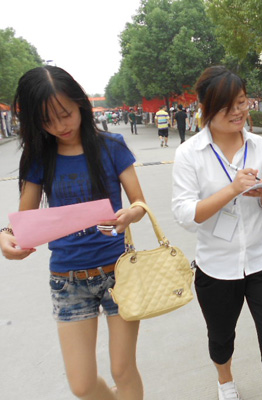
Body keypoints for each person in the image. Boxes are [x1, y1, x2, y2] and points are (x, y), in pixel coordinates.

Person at [0, 66, 147, 400]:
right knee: (82, 385)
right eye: (47, 121)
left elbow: (139, 203)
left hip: (119, 274)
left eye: (65, 114)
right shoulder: (39, 158)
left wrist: (130, 214)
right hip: (68, 281)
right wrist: (6, 235)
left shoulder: (111, 146)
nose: (60, 126)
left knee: (123, 370)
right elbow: (23, 219)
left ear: (80, 103)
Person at [172, 66, 262, 400]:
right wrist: (232, 189)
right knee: (221, 337)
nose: (238, 112)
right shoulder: (189, 153)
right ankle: (225, 380)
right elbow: (185, 215)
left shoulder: (258, 145)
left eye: (242, 102)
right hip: (217, 267)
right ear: (206, 108)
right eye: (228, 106)